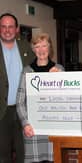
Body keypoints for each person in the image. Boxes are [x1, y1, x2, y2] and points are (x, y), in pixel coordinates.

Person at [16, 33, 64, 163]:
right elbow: (20, 102)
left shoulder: (59, 70)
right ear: (33, 49)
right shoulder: (27, 71)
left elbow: (65, 100)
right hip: (33, 128)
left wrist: (56, 80)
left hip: (54, 127)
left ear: (50, 48)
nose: (41, 50)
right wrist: (25, 124)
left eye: (44, 46)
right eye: (37, 46)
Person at [0, 13, 34, 163]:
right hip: (2, 111)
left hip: (23, 110)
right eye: (3, 26)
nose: (7, 30)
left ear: (17, 29)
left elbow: (38, 65)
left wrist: (54, 69)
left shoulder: (25, 46)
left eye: (10, 26)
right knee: (3, 153)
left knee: (24, 153)